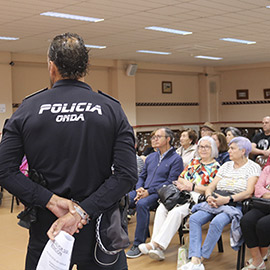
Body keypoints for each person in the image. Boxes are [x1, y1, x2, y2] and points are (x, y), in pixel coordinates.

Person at [0, 33, 137, 270]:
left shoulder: (28, 109)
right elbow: (126, 175)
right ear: (85, 68)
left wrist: (50, 200)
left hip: (48, 229)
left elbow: (4, 169)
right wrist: (81, 212)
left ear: (51, 66)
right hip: (99, 228)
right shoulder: (111, 109)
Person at [180, 137, 261, 270]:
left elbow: (248, 192)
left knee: (217, 222)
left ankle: (200, 258)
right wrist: (209, 196)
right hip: (216, 200)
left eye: (232, 148)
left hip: (234, 203)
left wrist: (227, 199)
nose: (228, 151)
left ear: (243, 151)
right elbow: (211, 186)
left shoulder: (253, 167)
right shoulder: (226, 165)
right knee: (194, 219)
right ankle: (194, 259)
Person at [138, 136, 220, 261]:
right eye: (201, 146)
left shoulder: (216, 167)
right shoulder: (194, 162)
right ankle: (157, 248)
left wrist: (192, 186)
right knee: (161, 208)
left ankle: (156, 244)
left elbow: (211, 189)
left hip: (198, 198)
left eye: (207, 147)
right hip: (182, 193)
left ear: (213, 149)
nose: (203, 149)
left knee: (177, 211)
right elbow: (180, 177)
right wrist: (184, 185)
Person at [126, 127, 184, 258]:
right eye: (153, 137)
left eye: (158, 137)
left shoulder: (176, 159)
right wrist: (139, 189)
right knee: (122, 200)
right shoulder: (151, 157)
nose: (154, 139)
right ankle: (121, 238)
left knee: (142, 204)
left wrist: (148, 192)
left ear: (168, 139)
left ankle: (138, 243)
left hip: (160, 195)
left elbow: (170, 183)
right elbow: (142, 176)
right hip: (143, 191)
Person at [240, 165, 270, 270]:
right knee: (246, 221)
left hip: (266, 200)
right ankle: (258, 258)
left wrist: (265, 193)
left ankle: (260, 258)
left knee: (263, 224)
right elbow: (258, 189)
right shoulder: (267, 169)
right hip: (265, 204)